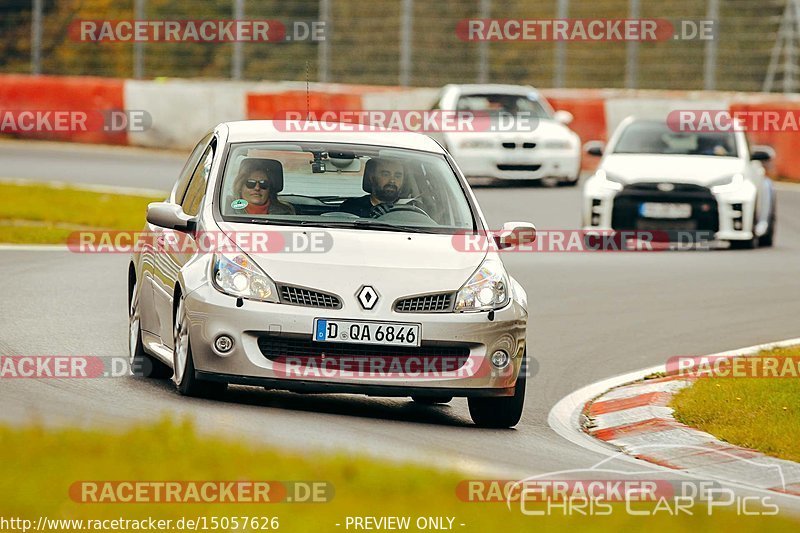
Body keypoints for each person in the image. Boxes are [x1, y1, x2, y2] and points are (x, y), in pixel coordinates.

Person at [338, 157, 407, 218]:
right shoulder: (352, 207)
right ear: (372, 178)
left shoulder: (410, 209)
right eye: (385, 175)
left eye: (398, 176)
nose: (392, 181)